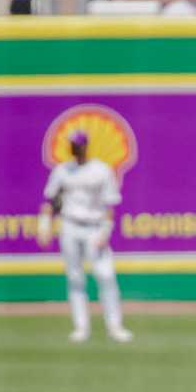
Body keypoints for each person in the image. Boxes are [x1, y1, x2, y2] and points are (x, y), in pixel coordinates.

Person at [38, 131, 133, 344]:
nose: (74, 148)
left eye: (77, 144)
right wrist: (44, 224)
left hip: (94, 226)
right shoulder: (62, 171)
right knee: (75, 278)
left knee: (105, 275)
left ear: (85, 146)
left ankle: (115, 326)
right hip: (70, 225)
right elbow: (51, 200)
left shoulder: (100, 170)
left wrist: (106, 231)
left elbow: (110, 204)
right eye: (72, 144)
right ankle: (81, 327)